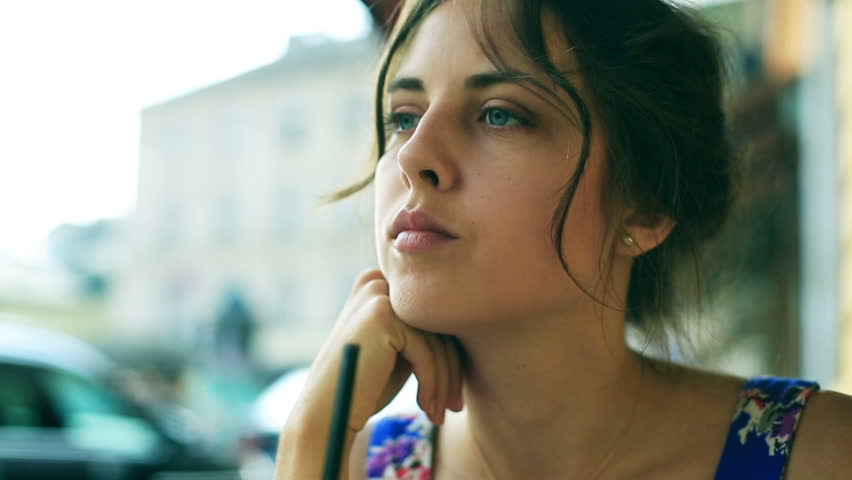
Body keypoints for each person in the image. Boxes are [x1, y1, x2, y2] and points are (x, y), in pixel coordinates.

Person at [276, 0, 852, 478]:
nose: (414, 156)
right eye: (404, 116)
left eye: (499, 115)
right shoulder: (354, 465)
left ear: (647, 205)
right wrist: (307, 446)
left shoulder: (818, 457)